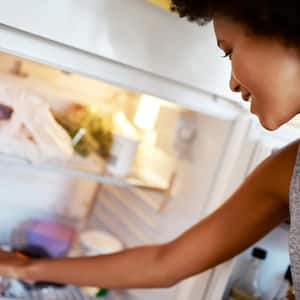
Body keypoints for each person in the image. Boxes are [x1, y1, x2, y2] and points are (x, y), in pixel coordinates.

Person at [1, 0, 300, 298]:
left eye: (229, 50)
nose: (232, 84)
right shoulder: (286, 170)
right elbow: (165, 264)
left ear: (286, 29)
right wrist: (24, 269)